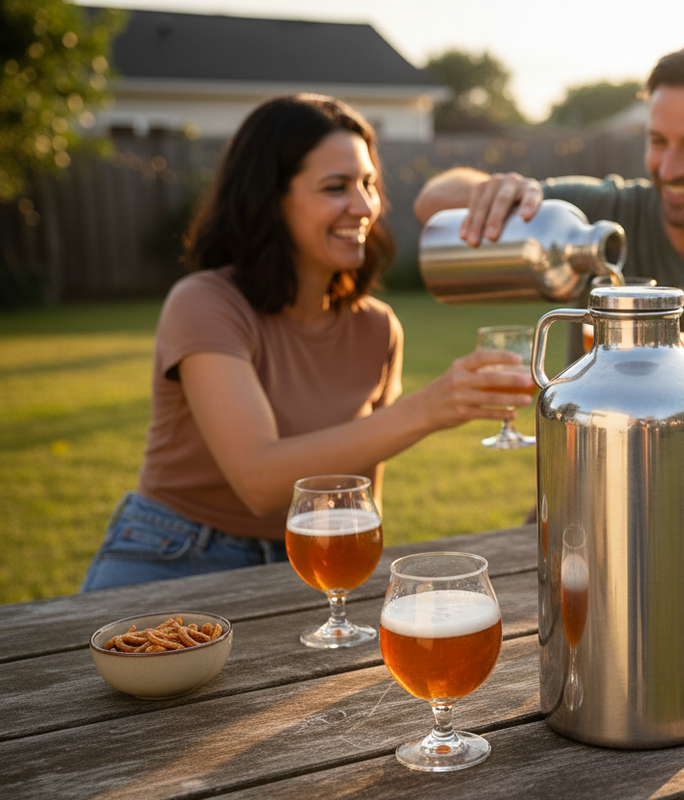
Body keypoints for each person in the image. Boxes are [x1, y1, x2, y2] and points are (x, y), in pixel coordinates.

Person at [81, 94, 532, 592]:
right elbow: (259, 482)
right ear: (270, 199)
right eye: (336, 187)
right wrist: (429, 407)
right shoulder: (205, 303)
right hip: (177, 556)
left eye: (367, 184)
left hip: (305, 564)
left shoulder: (378, 327)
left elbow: (361, 497)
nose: (363, 206)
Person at [413, 41, 684, 491]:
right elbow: (432, 203)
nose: (669, 168)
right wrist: (497, 190)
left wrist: (674, 357)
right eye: (657, 141)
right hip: (583, 493)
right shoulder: (603, 212)